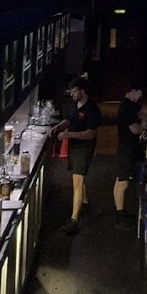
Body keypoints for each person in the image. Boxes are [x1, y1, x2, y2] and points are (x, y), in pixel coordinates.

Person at [49, 77, 102, 235]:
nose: (71, 94)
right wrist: (58, 127)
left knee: (77, 182)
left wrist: (68, 135)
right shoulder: (74, 105)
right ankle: (84, 204)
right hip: (74, 148)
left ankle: (74, 220)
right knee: (79, 178)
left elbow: (90, 134)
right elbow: (69, 120)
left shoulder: (92, 110)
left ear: (82, 91)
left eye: (74, 91)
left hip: (83, 149)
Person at [113, 88, 143, 227]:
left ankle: (120, 211)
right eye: (139, 92)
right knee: (122, 182)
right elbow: (135, 129)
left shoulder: (127, 105)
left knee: (120, 180)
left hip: (125, 148)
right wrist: (143, 126)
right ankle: (119, 215)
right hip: (127, 149)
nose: (140, 96)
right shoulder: (126, 108)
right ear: (133, 91)